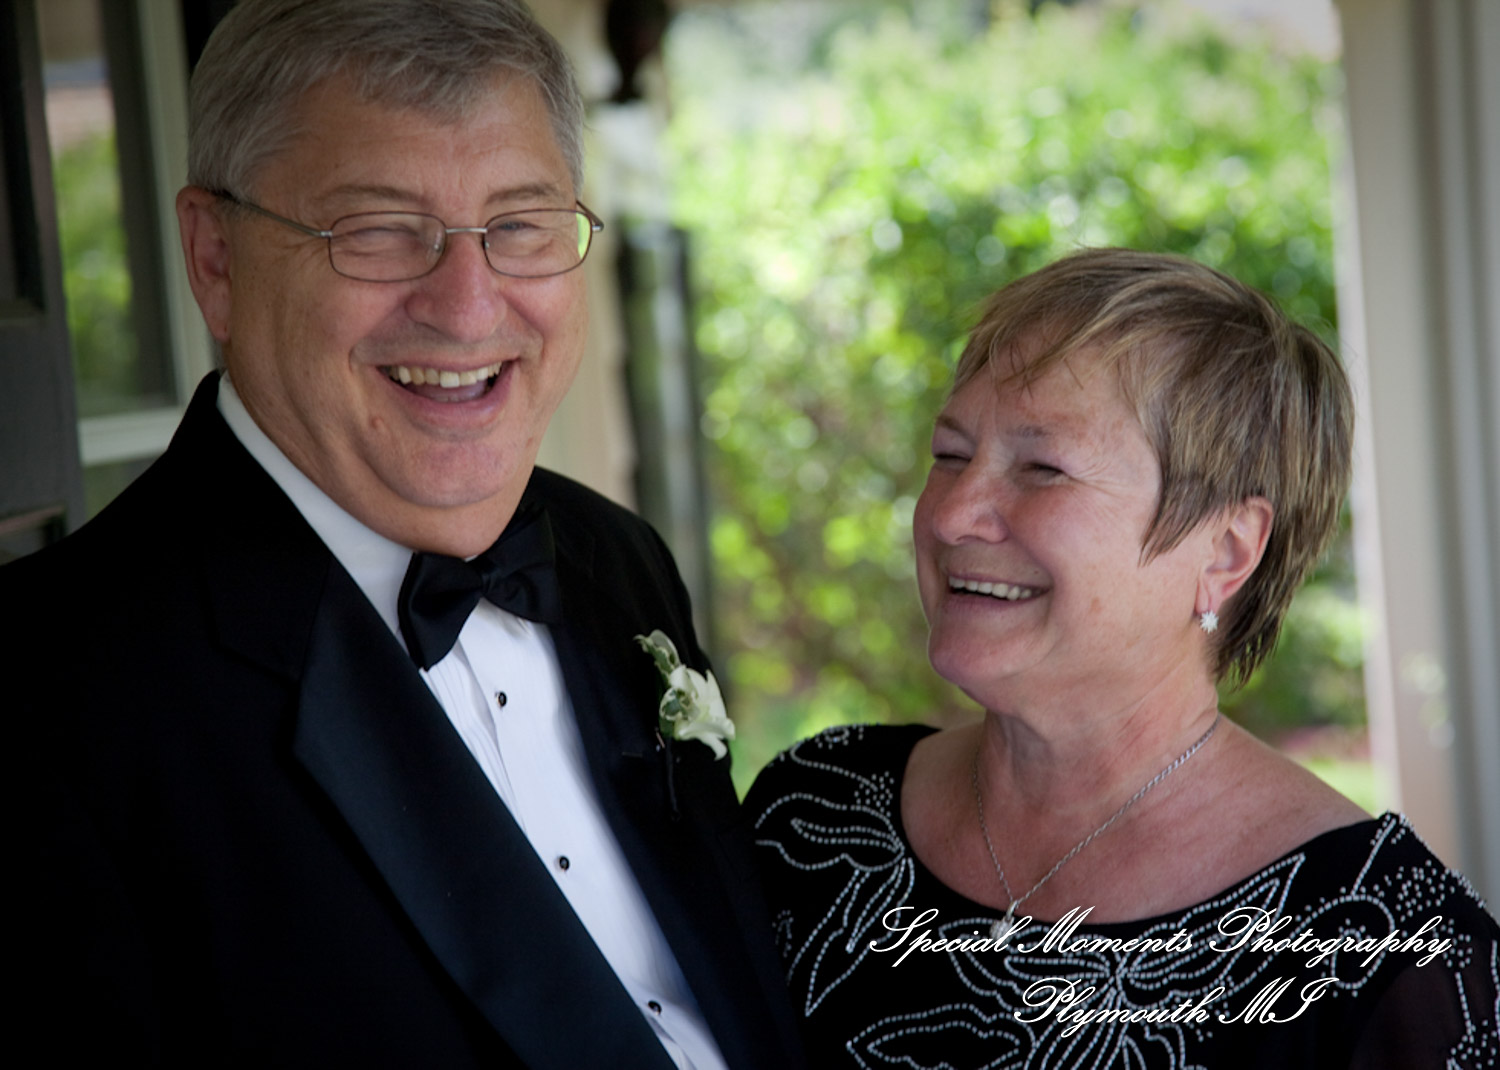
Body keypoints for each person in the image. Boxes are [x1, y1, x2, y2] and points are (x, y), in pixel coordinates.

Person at [6, 2, 805, 1067]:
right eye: (378, 229)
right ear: (214, 259)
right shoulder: (46, 695)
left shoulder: (615, 556)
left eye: (520, 224)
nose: (469, 307)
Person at [745, 249, 1499, 1068]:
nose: (954, 514)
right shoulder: (814, 817)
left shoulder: (1385, 944)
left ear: (1225, 549)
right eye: (950, 454)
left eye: (1043, 469)